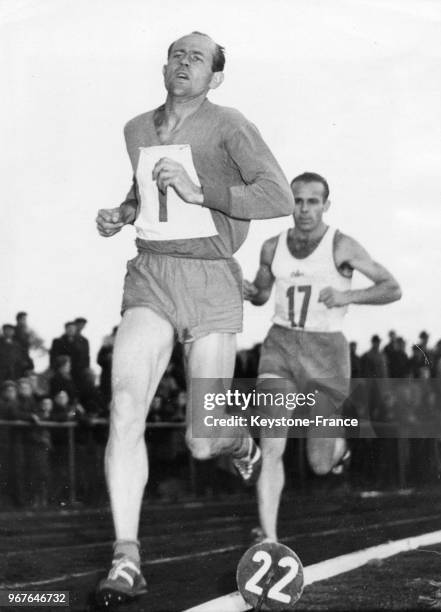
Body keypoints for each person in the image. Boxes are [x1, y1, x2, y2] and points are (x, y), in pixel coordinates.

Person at [95, 31, 294, 603]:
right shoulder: (135, 128)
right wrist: (122, 211)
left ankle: (242, 447)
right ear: (165, 67)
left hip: (210, 279)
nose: (185, 63)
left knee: (204, 438)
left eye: (198, 58)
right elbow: (144, 195)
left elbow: (276, 195)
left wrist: (200, 188)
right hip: (152, 274)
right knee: (125, 405)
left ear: (216, 77)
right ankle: (126, 557)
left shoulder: (230, 124)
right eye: (178, 55)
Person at [243, 171, 401, 542]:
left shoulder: (341, 245)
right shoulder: (271, 246)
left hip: (326, 353)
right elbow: (263, 293)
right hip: (280, 347)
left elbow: (391, 287)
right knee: (272, 444)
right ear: (289, 203)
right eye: (297, 200)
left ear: (325, 205)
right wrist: (249, 291)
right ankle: (268, 536)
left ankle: (338, 448)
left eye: (313, 201)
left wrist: (349, 296)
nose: (304, 208)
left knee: (318, 463)